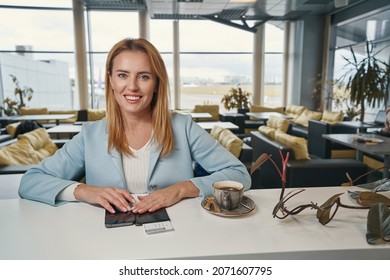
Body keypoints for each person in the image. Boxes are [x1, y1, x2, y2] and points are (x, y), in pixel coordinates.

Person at [19, 38, 251, 214]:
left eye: (143, 77)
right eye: (122, 75)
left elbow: (240, 175)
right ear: (110, 80)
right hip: (109, 244)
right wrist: (85, 191)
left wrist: (180, 189)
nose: (132, 87)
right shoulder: (90, 135)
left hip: (179, 239)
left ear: (157, 83)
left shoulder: (183, 127)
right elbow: (31, 181)